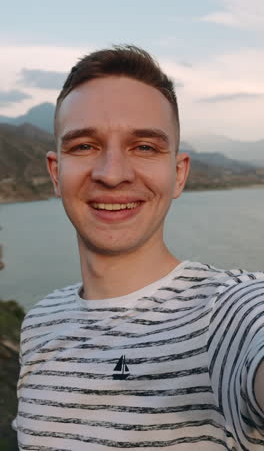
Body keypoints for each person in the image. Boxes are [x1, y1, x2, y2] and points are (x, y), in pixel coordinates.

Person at [14, 45, 264, 450]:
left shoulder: (226, 311)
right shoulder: (41, 323)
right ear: (56, 173)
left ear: (178, 174)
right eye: (84, 146)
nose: (112, 174)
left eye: (144, 147)